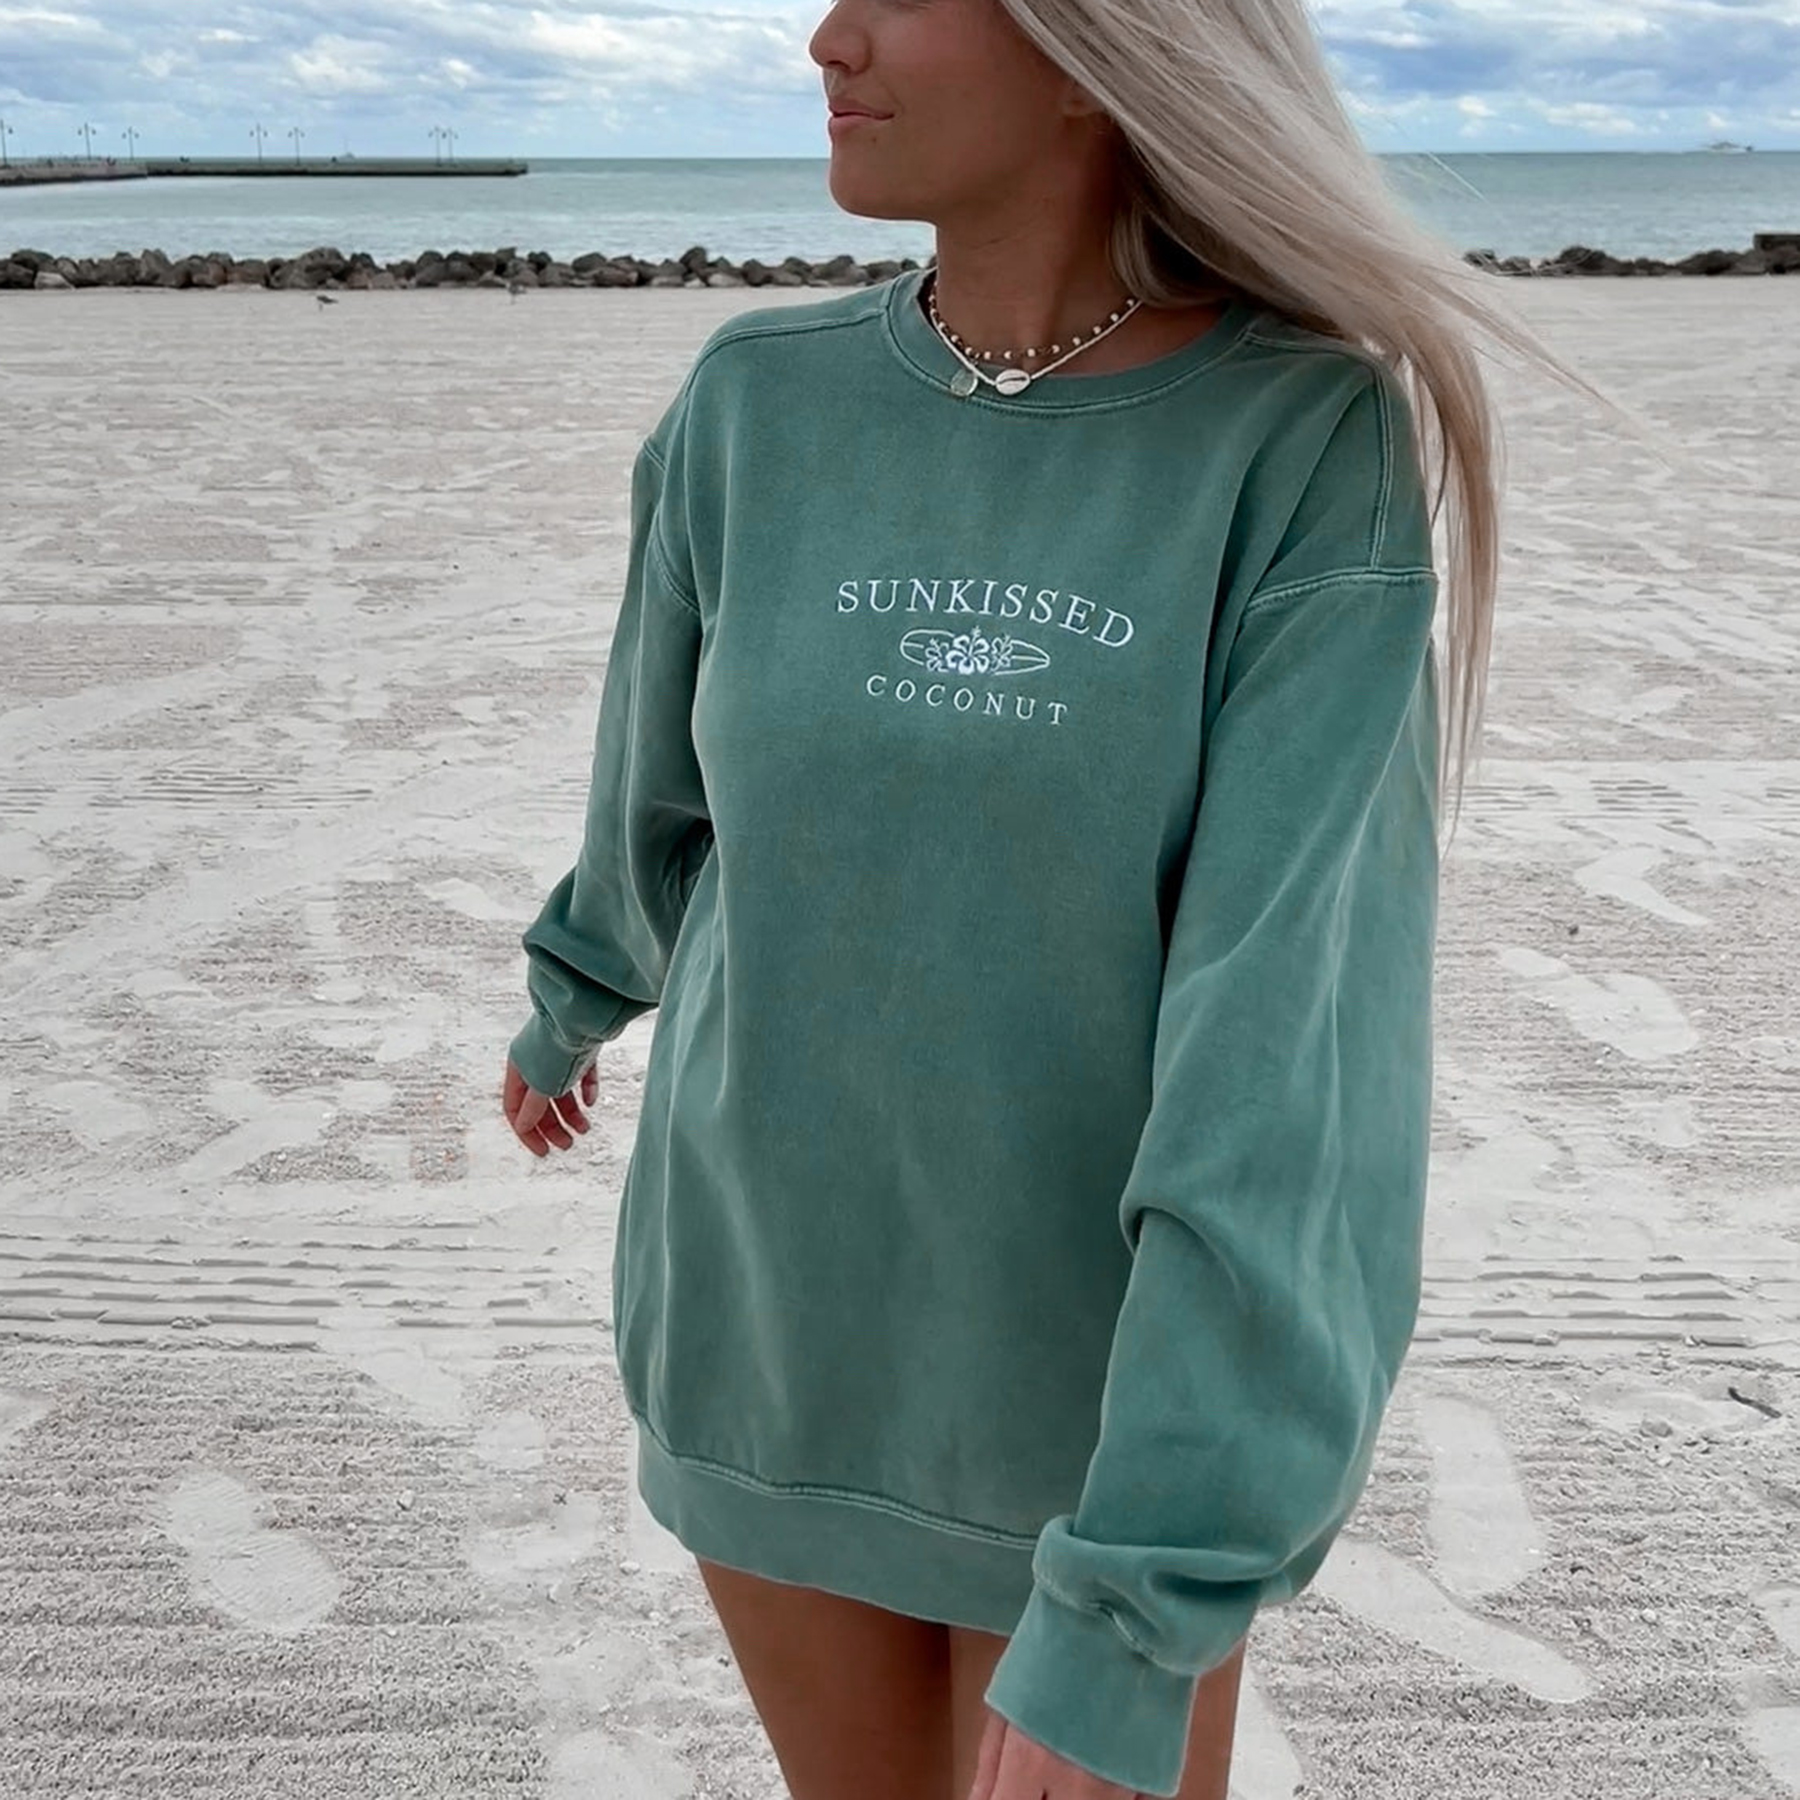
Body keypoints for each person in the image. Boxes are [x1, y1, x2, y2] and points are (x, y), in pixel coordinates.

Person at [501, 0, 1629, 1796]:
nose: (827, 38)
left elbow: (1287, 1050)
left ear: (1102, 52)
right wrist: (577, 990)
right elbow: (662, 786)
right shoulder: (754, 400)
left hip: (1092, 1421)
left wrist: (1144, 1585)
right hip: (764, 1334)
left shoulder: (1299, 438)